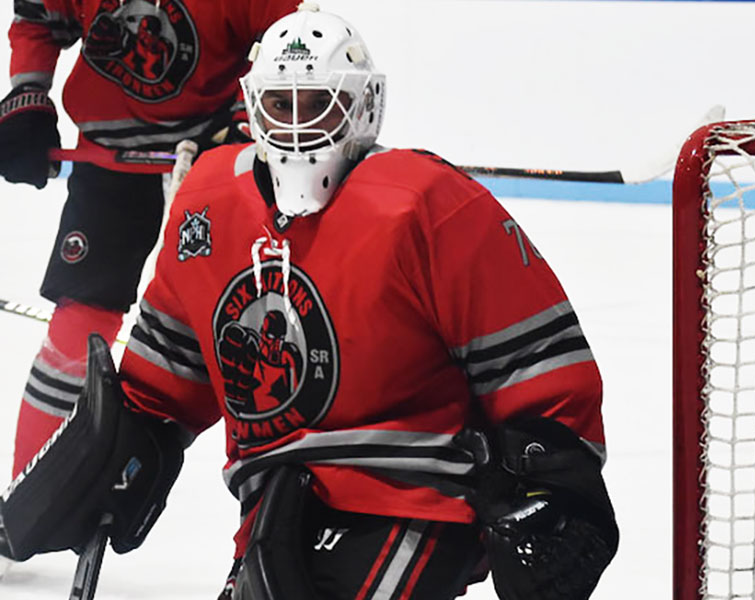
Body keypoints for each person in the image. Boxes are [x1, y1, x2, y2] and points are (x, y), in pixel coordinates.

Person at [0, 5, 619, 599]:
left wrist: (553, 480)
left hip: (414, 493)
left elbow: (536, 360)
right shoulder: (209, 203)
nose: (297, 127)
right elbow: (163, 378)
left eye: (318, 105)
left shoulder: (426, 204)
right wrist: (115, 442)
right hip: (276, 496)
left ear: (363, 107)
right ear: (253, 107)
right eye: (280, 104)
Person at [0, 0, 302, 483]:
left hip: (217, 161)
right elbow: (40, 17)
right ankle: (27, 490)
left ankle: (291, 488)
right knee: (80, 322)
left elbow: (295, 43)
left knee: (250, 328)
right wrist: (28, 94)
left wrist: (245, 127)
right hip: (110, 158)